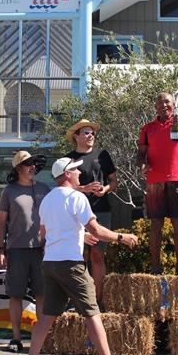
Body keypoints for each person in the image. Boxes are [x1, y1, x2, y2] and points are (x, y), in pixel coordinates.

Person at [22, 158, 138, 355]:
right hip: (71, 264)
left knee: (46, 317)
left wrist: (77, 234)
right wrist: (121, 237)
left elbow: (45, 234)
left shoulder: (47, 200)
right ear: (66, 175)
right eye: (75, 169)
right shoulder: (77, 197)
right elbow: (97, 229)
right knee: (92, 313)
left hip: (50, 263)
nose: (79, 173)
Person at [0, 151, 50, 353]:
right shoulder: (9, 191)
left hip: (42, 249)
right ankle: (16, 338)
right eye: (27, 164)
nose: (32, 167)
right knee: (15, 294)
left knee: (42, 294)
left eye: (34, 163)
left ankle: (41, 338)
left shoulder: (45, 189)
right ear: (18, 168)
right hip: (16, 248)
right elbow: (1, 222)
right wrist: (0, 248)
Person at [137, 92, 178, 274]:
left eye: (167, 102)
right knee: (156, 224)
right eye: (159, 102)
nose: (163, 105)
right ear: (155, 106)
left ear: (174, 105)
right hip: (155, 179)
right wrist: (142, 164)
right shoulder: (147, 128)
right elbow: (141, 152)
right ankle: (155, 266)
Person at [65, 119, 117, 307]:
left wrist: (105, 189)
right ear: (76, 136)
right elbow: (65, 188)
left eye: (92, 132)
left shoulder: (102, 155)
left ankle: (97, 301)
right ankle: (78, 300)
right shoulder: (69, 159)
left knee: (97, 255)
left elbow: (113, 181)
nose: (90, 135)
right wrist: (84, 189)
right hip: (77, 214)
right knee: (79, 256)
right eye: (86, 132)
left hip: (101, 211)